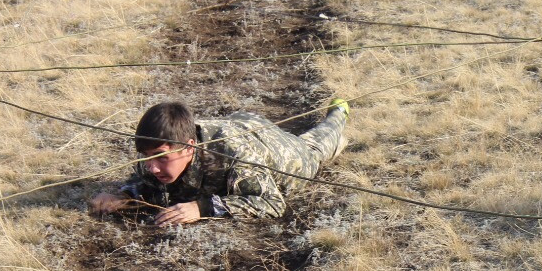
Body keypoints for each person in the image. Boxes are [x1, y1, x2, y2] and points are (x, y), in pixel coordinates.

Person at [89, 99, 349, 224]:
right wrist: (121, 195)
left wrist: (201, 208)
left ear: (189, 147)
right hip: (238, 121)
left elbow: (270, 202)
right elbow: (142, 182)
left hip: (282, 152)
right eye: (147, 158)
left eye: (161, 159)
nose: (152, 167)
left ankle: (339, 112)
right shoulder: (155, 153)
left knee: (317, 145)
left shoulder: (237, 155)